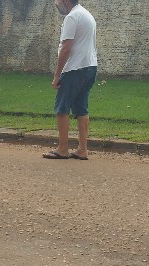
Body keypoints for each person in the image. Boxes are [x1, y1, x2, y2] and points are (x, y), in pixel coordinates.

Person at [43, 0, 97, 160]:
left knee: (62, 107)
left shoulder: (72, 17)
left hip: (74, 68)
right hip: (90, 66)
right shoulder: (87, 15)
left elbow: (66, 48)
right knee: (81, 108)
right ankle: (82, 149)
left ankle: (63, 148)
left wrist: (57, 74)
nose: (55, 3)